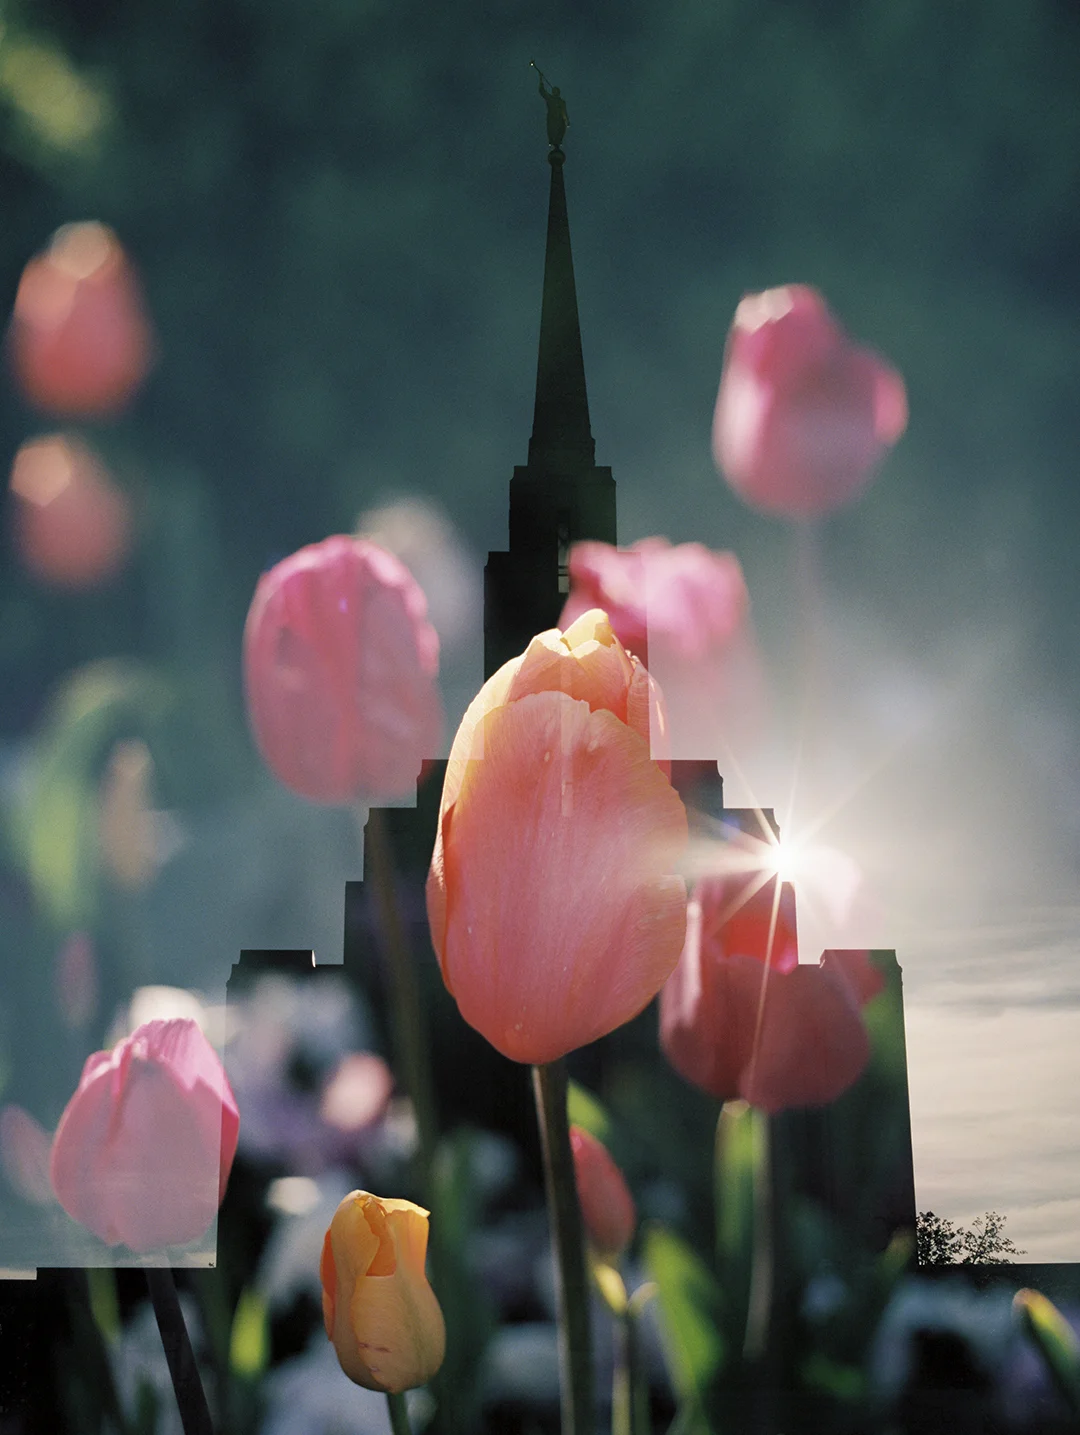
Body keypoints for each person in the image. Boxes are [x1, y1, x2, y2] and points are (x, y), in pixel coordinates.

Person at [532, 64, 569, 148]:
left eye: (555, 91)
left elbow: (564, 111)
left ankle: (558, 143)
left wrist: (566, 120)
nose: (554, 92)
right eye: (553, 91)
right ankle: (553, 142)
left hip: (560, 120)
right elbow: (542, 91)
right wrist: (541, 79)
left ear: (558, 92)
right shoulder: (550, 98)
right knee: (552, 131)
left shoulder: (562, 102)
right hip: (552, 118)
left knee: (560, 131)